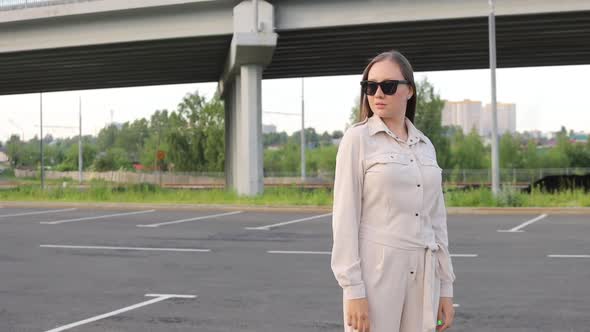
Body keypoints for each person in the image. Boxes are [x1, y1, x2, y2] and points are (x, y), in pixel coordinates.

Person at [330, 50, 456, 332]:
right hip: (377, 275)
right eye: (370, 87)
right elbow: (345, 218)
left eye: (387, 86)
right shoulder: (357, 140)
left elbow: (436, 221)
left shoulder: (425, 146)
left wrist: (445, 287)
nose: (378, 94)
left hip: (424, 275)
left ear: (409, 90)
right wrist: (352, 290)